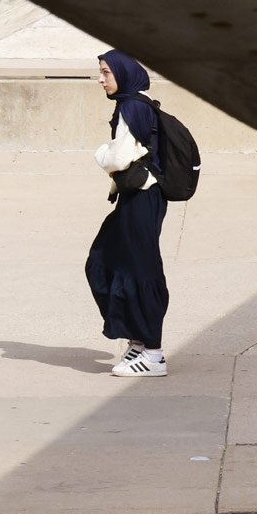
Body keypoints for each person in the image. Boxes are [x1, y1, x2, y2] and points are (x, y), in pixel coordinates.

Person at [85, 51, 170, 377]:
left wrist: (99, 152)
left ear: (122, 73)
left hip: (142, 198)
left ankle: (153, 354)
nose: (101, 79)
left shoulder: (132, 107)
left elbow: (118, 158)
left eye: (106, 72)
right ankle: (138, 340)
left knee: (140, 269)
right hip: (138, 198)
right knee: (106, 261)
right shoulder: (136, 103)